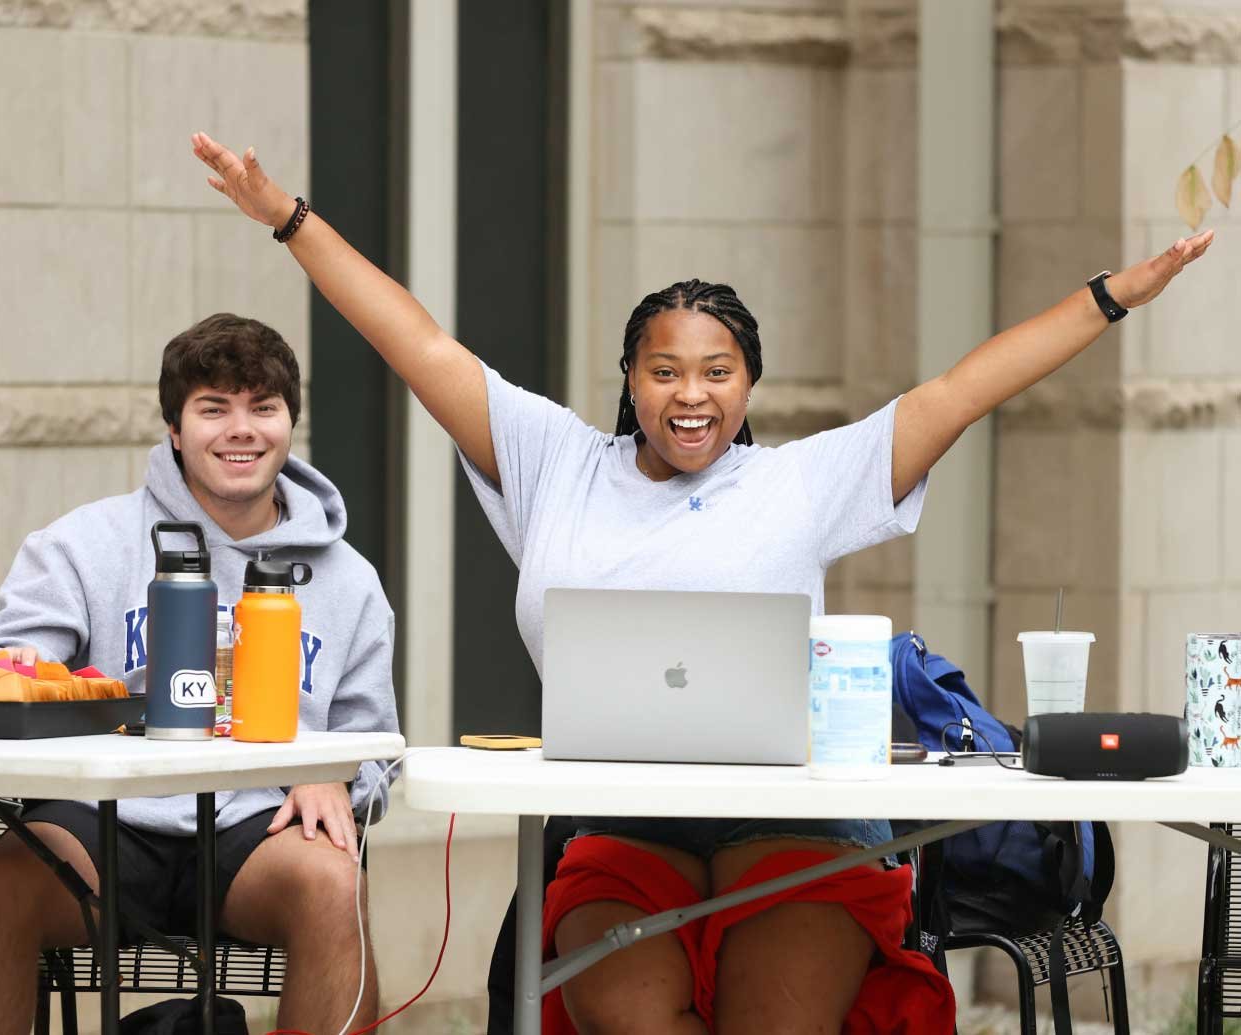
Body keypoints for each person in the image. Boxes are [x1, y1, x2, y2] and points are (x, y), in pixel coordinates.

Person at [189, 131, 1213, 1034]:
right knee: (624, 1007)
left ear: (748, 385)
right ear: (628, 381)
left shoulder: (806, 479)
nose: (690, 394)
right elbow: (410, 339)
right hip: (620, 825)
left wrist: (1112, 296)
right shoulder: (552, 461)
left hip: (797, 828)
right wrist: (285, 217)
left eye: (716, 371)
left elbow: (965, 387)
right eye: (664, 370)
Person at [0, 314, 399, 1035]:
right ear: (175, 429)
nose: (240, 429)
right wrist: (36, 672)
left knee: (335, 883)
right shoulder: (85, 543)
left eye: (262, 407)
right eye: (214, 407)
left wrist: (333, 771)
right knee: (2, 883)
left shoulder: (352, 581)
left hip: (260, 824)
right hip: (105, 822)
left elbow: (374, 750)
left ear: (289, 425)